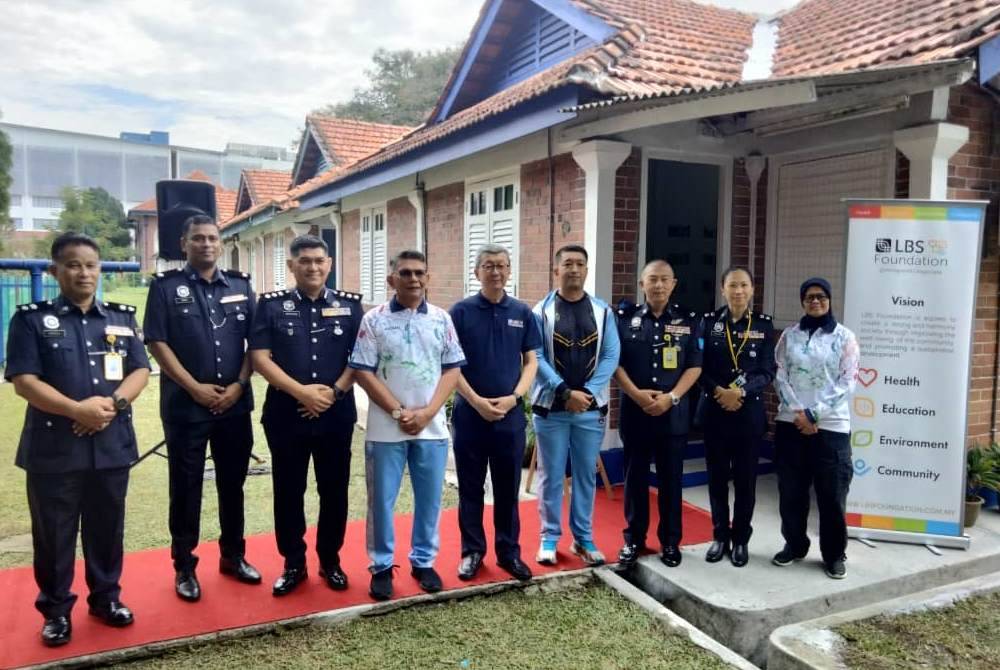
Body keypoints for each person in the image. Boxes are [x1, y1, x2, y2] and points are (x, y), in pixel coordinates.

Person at [6, 232, 150, 647]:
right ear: (55, 271)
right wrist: (76, 410)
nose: (83, 272)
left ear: (99, 268)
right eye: (72, 264)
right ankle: (55, 611)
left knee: (107, 529)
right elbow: (24, 381)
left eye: (90, 264)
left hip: (110, 443)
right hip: (55, 448)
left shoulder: (121, 318)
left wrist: (112, 403)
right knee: (54, 535)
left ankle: (106, 599)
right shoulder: (31, 319)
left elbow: (140, 370)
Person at [144, 213, 259, 602]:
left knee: (233, 484)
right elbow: (157, 342)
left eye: (212, 238)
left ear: (221, 243)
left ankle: (233, 556)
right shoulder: (165, 287)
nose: (206, 244)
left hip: (234, 406)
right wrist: (194, 388)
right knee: (186, 487)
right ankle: (184, 567)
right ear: (184, 244)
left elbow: (255, 344)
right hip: (185, 407)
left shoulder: (241, 285)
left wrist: (239, 385)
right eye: (198, 239)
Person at [249, 235, 363, 595]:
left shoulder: (349, 306)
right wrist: (301, 392)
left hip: (335, 413)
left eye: (319, 260)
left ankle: (330, 560)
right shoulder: (269, 306)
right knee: (288, 490)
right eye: (305, 261)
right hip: (287, 414)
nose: (313, 267)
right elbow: (260, 357)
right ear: (291, 266)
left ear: (329, 264)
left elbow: (359, 357)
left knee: (333, 491)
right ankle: (294, 563)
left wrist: (335, 392)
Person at [349, 249, 466, 601]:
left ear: (428, 278)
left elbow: (453, 369)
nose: (413, 279)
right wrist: (400, 412)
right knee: (381, 501)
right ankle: (382, 566)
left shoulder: (442, 320)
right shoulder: (374, 320)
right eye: (405, 273)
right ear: (391, 280)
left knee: (429, 500)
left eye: (419, 273)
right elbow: (362, 370)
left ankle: (423, 561)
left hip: (432, 430)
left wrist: (429, 412)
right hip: (386, 430)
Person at [449, 244, 540, 582]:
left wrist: (515, 397)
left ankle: (509, 552)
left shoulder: (522, 312)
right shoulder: (460, 312)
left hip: (510, 416)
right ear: (477, 272)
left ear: (509, 271)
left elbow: (531, 361)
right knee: (470, 488)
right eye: (489, 265)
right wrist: (475, 401)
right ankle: (472, 552)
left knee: (507, 487)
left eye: (502, 265)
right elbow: (450, 366)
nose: (496, 272)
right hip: (470, 415)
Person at [530, 244, 621, 567]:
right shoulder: (540, 312)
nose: (574, 269)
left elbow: (611, 355)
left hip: (590, 411)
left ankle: (583, 538)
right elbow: (535, 356)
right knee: (551, 475)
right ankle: (549, 538)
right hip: (551, 409)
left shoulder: (602, 311)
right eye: (567, 263)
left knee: (585, 475)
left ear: (586, 269)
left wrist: (589, 393)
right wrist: (565, 391)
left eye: (580, 264)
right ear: (556, 270)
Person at [614, 260, 702, 569]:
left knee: (671, 482)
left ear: (674, 283)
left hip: (672, 415)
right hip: (636, 413)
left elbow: (694, 365)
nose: (659, 285)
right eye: (653, 279)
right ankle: (634, 540)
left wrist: (672, 397)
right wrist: (636, 395)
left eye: (665, 280)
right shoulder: (623, 318)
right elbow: (615, 362)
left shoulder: (689, 320)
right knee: (635, 480)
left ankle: (670, 542)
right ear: (642, 284)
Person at [772, 278, 859, 579]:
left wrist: (814, 414)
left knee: (831, 495)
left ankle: (834, 554)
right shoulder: (789, 336)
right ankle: (794, 545)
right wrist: (799, 413)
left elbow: (847, 382)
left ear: (830, 300)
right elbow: (779, 374)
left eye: (821, 296)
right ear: (802, 301)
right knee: (791, 493)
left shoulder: (845, 337)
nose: (815, 301)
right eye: (809, 297)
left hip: (831, 428)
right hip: (790, 424)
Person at [698, 266, 775, 567]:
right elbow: (697, 366)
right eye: (732, 285)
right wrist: (720, 391)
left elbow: (767, 370)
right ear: (722, 289)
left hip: (748, 415)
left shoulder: (764, 325)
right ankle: (720, 536)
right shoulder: (708, 323)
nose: (738, 291)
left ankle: (741, 539)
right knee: (717, 480)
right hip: (715, 412)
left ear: (753, 290)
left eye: (744, 285)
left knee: (745, 482)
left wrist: (739, 393)